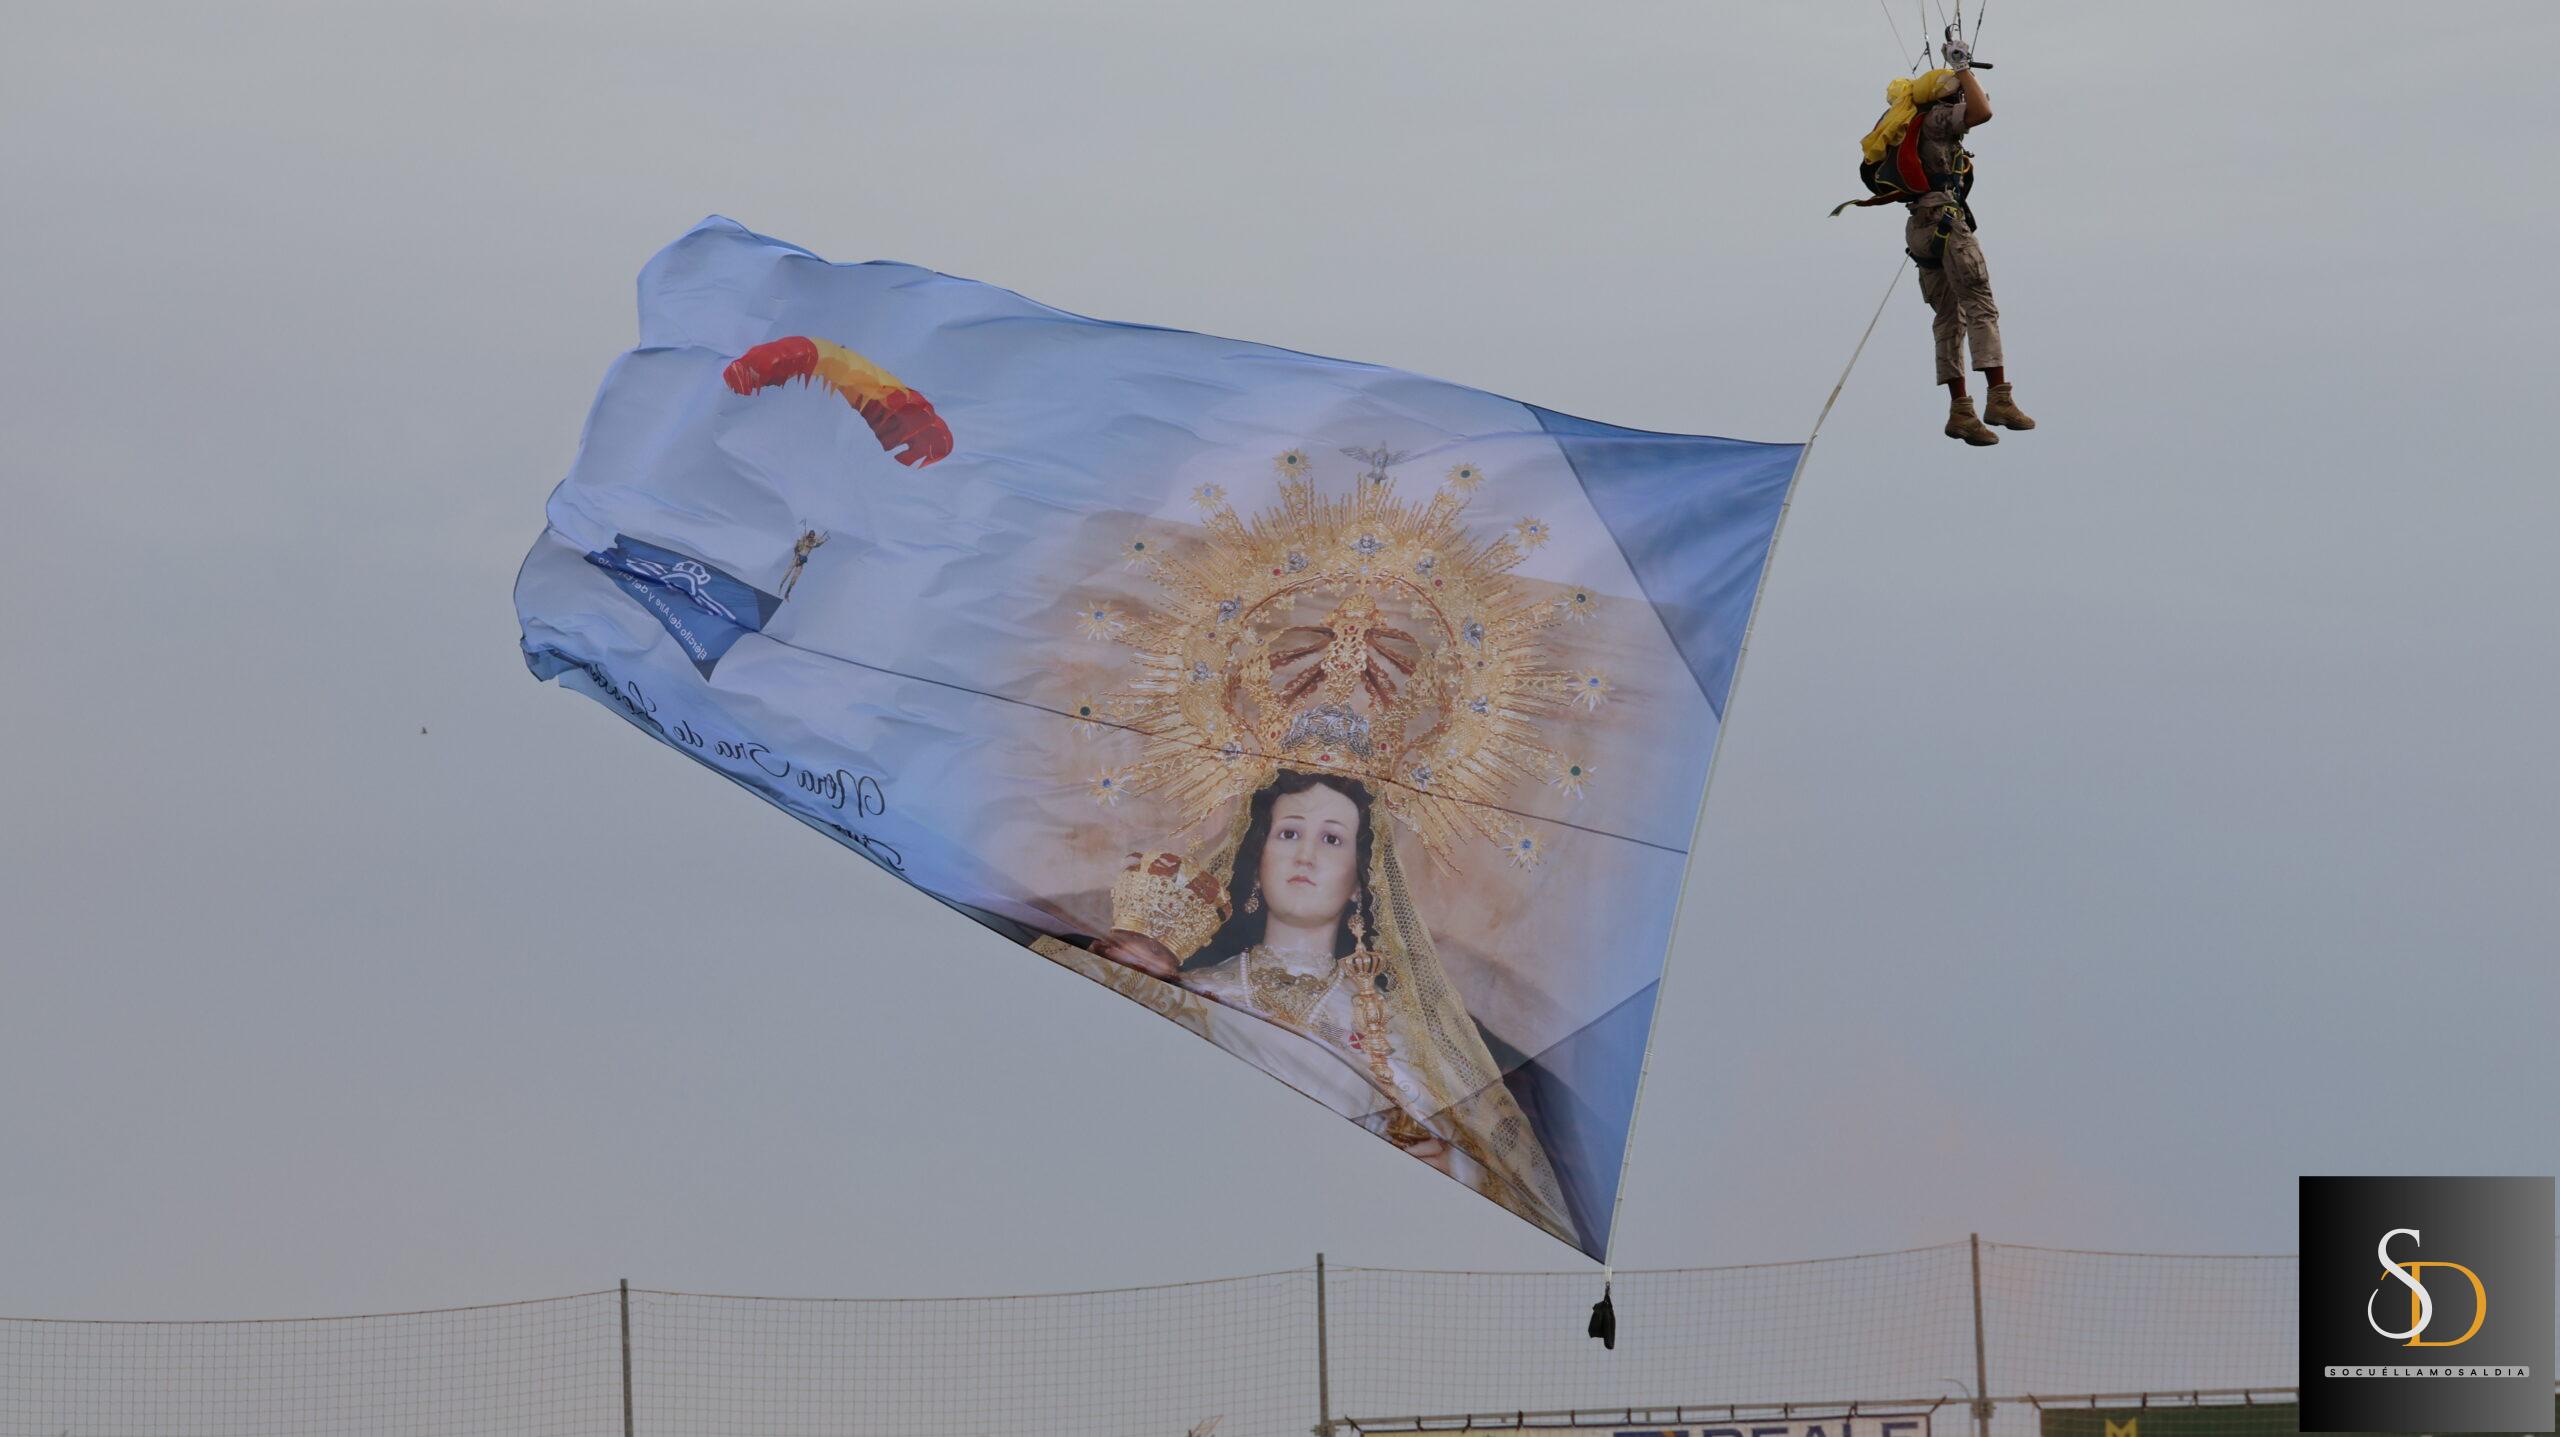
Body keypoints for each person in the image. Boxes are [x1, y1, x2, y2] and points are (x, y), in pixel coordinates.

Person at [1089, 769, 1579, 1242]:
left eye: (1332, 839)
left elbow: (1509, 1182)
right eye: (1288, 833)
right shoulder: (1192, 996)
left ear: (1360, 880)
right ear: (1259, 857)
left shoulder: (1401, 1035)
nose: (1305, 856)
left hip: (1342, 1243)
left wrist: (1457, 1171)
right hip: (1202, 1224)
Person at [1905, 41, 2035, 445]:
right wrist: (1961, 67)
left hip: (1920, 228)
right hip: (1947, 222)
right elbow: (1983, 112)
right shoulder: (1938, 119)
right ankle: (1998, 396)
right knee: (1980, 305)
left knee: (1948, 318)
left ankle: (1960, 409)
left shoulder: (1910, 125)